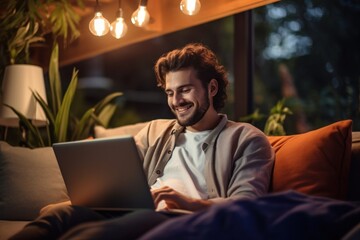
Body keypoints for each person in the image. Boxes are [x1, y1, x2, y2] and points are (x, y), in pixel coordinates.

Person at [10, 43, 274, 239]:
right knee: (57, 216)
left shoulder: (247, 139)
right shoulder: (153, 131)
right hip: (135, 212)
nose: (176, 101)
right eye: (170, 92)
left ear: (212, 88)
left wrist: (183, 201)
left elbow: (247, 205)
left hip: (181, 221)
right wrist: (71, 202)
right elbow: (118, 186)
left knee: (91, 235)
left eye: (185, 90)